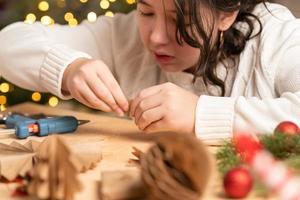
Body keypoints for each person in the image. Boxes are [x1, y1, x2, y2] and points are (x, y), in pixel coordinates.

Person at [0, 0, 300, 140]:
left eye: (178, 19)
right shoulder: (123, 35)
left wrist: (200, 114)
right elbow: (7, 44)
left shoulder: (279, 38)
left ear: (227, 15)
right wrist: (69, 67)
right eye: (146, 12)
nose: (156, 37)